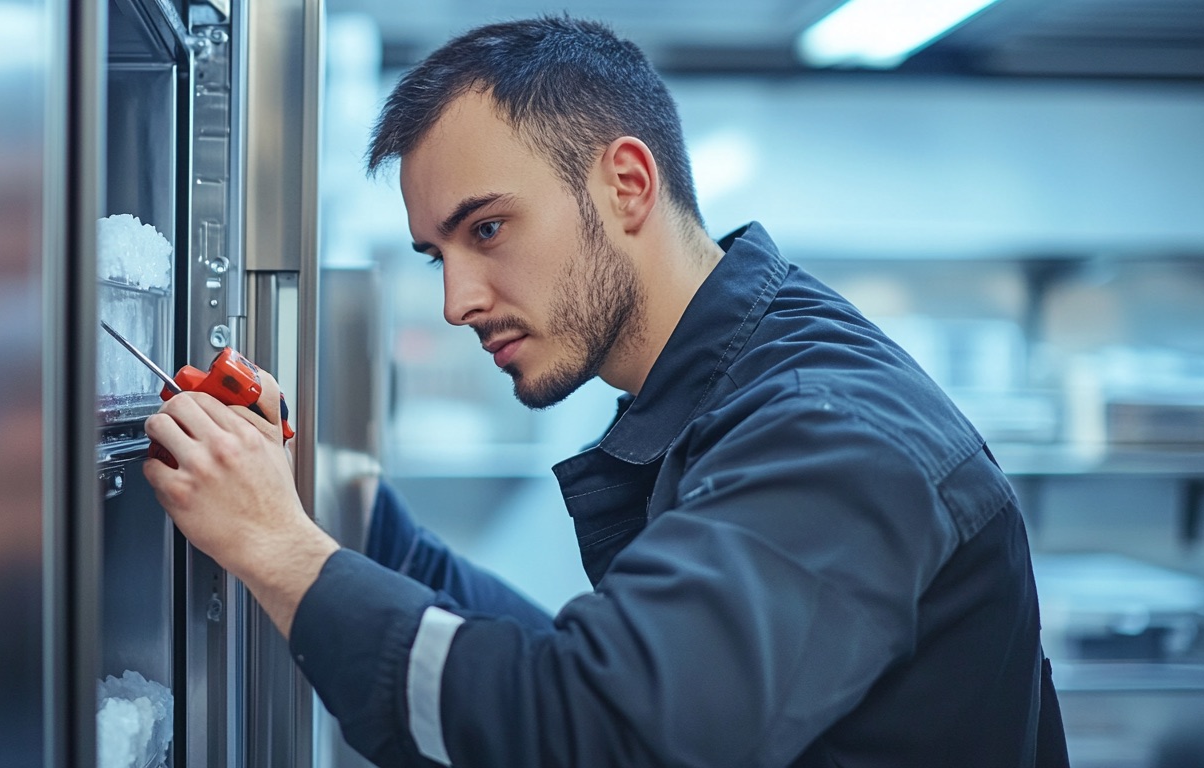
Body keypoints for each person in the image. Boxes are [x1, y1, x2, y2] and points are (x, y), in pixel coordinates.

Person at [143, 15, 1070, 768]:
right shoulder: (733, 390)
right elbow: (591, 664)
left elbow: (601, 728)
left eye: (490, 227)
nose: (458, 300)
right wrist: (331, 507)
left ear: (627, 185)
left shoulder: (825, 431)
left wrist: (278, 549)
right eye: (438, 255)